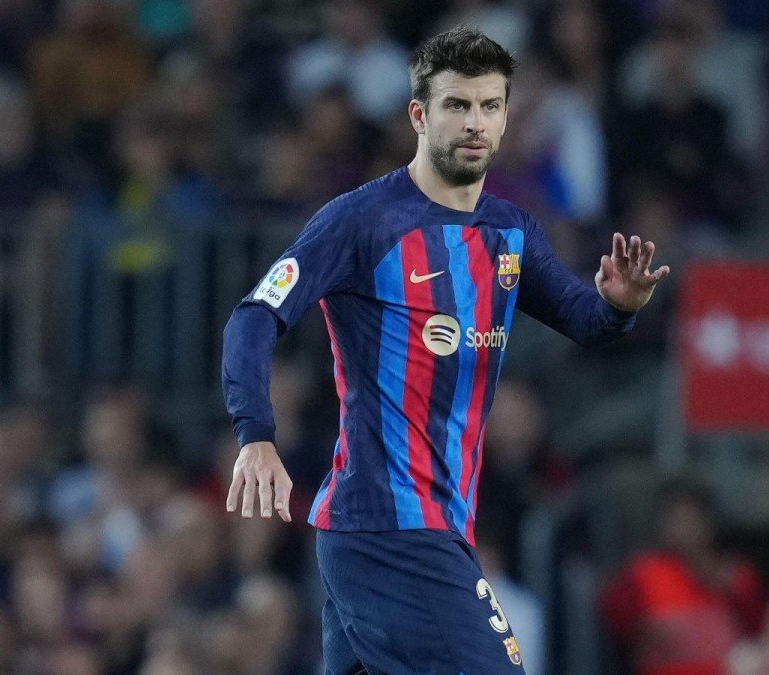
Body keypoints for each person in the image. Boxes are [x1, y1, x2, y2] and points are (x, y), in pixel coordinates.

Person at [221, 27, 669, 673]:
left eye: (490, 105)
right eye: (457, 104)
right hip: (388, 525)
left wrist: (620, 304)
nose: (474, 122)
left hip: (428, 526)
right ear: (419, 115)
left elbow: (586, 320)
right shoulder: (361, 221)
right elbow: (255, 316)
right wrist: (256, 435)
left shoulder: (510, 231)